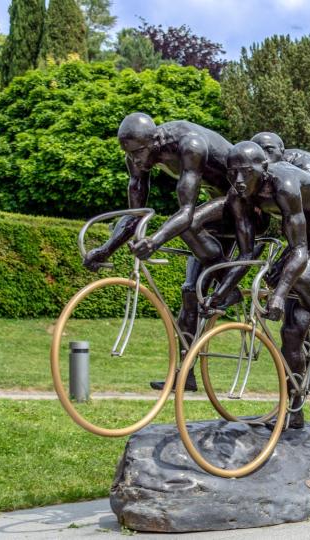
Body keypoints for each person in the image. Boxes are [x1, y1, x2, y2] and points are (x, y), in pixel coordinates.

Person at [204, 141, 310, 428]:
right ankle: (295, 410)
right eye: (232, 174)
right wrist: (220, 292)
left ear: (263, 168)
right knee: (292, 331)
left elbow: (297, 250)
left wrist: (279, 295)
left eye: (245, 173)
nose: (237, 181)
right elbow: (247, 253)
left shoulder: (285, 182)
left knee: (303, 273)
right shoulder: (241, 193)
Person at [83, 112, 234, 391]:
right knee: (190, 292)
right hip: (214, 208)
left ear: (155, 141)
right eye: (129, 154)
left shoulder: (190, 144)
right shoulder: (136, 156)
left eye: (139, 153)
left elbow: (186, 213)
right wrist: (105, 251)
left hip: (242, 203)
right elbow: (135, 215)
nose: (136, 161)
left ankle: (227, 279)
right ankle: (185, 374)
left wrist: (154, 241)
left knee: (185, 224)